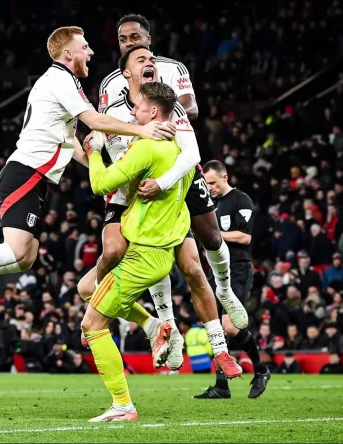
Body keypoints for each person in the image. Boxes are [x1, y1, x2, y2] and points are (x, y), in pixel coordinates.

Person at [0, 26, 175, 317]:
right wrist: (142, 130)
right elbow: (94, 120)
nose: (91, 52)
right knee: (17, 249)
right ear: (68, 53)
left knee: (27, 256)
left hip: (35, 177)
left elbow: (70, 142)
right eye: (85, 47)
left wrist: (107, 171)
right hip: (25, 171)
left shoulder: (63, 82)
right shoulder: (59, 79)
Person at [77, 45, 239, 375]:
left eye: (150, 55)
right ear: (126, 73)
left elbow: (190, 152)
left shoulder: (166, 109)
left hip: (162, 189)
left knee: (195, 264)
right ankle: (163, 328)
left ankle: (213, 308)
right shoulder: (117, 105)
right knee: (114, 251)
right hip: (133, 194)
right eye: (140, 57)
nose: (149, 60)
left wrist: (162, 182)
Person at [100, 13, 247, 334]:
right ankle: (164, 322)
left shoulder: (170, 69)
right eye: (124, 39)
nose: (130, 42)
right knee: (153, 246)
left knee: (210, 236)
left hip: (179, 163)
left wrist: (159, 106)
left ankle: (225, 290)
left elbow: (189, 108)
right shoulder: (110, 85)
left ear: (148, 39)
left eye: (136, 38)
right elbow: (104, 128)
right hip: (142, 173)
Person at [81, 82, 213, 423]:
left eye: (138, 107)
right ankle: (153, 325)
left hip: (141, 257)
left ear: (154, 112)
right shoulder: (177, 154)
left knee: (92, 325)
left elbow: (100, 185)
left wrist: (95, 150)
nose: (133, 113)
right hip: (159, 253)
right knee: (86, 289)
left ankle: (123, 405)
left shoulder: (146, 148)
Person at [198, 161, 271, 399]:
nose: (209, 188)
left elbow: (245, 237)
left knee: (230, 327)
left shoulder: (241, 200)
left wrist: (213, 235)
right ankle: (221, 386)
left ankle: (261, 369)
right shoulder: (211, 204)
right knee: (215, 329)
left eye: (213, 183)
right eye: (206, 183)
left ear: (225, 177)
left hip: (237, 270)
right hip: (214, 270)